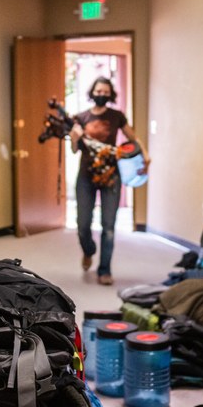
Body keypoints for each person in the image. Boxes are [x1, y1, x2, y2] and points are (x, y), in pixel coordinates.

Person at [69, 76, 150, 285]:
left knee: (109, 226)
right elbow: (74, 149)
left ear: (110, 94)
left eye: (106, 92)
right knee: (82, 224)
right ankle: (88, 250)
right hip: (86, 175)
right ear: (92, 92)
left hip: (111, 176)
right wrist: (75, 137)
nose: (101, 95)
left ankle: (104, 270)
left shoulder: (116, 116)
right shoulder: (81, 117)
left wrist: (145, 154)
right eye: (98, 91)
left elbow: (133, 138)